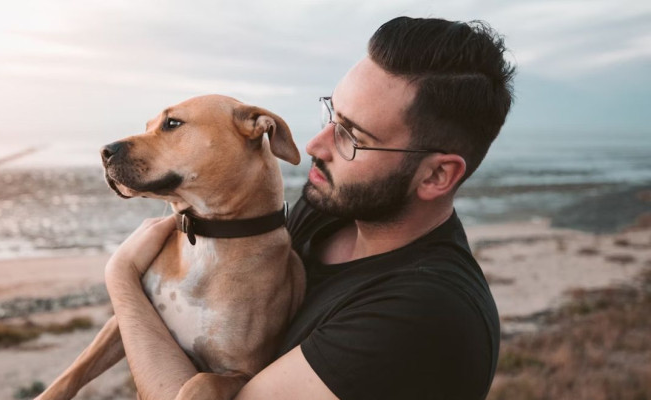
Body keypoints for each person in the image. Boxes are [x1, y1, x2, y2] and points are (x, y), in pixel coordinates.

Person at [105, 16, 515, 400]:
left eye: (352, 137)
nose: (316, 146)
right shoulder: (332, 211)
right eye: (332, 114)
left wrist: (123, 281)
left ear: (436, 176)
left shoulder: (420, 314)